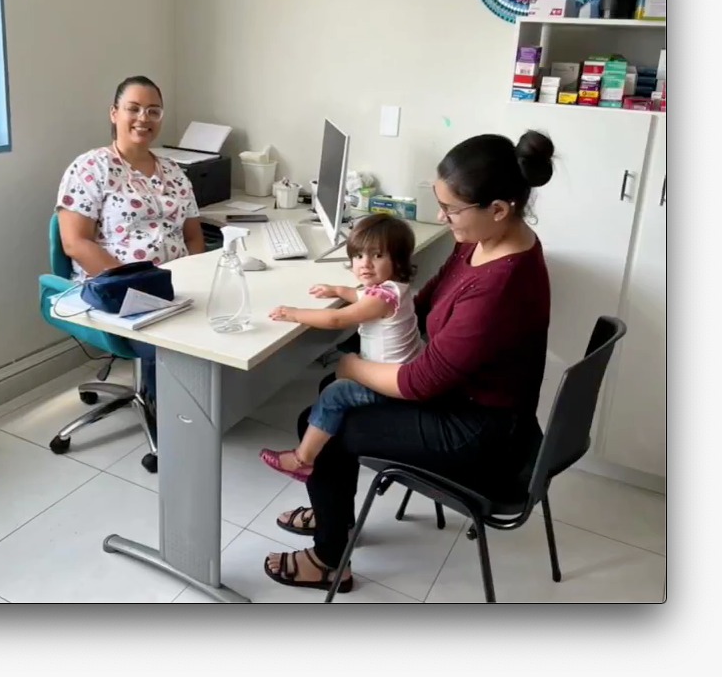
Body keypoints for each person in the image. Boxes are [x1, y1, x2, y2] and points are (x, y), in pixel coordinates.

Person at [263, 130, 555, 593]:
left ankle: (328, 559)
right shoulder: (482, 241)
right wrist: (372, 303)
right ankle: (332, 515)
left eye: (451, 209)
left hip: (477, 432)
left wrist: (351, 365)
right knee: (329, 399)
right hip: (463, 400)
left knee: (323, 420)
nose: (442, 217)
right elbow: (423, 304)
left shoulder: (500, 285)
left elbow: (421, 382)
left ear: (499, 209)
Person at [55, 75, 206, 407]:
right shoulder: (91, 167)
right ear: (114, 113)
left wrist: (197, 278)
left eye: (153, 111)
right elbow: (75, 243)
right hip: (118, 290)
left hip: (176, 289)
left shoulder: (174, 172)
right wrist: (137, 291)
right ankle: (166, 416)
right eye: (133, 108)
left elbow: (193, 235)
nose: (143, 118)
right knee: (174, 342)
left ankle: (197, 409)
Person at [259, 214, 424, 482]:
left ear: (398, 260)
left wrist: (295, 313)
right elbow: (361, 295)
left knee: (335, 393)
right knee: (343, 371)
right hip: (401, 373)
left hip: (391, 389)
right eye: (358, 256)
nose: (365, 264)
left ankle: (302, 460)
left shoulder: (382, 298)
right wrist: (337, 290)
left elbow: (336, 320)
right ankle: (327, 436)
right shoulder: (391, 289)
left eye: (377, 255)